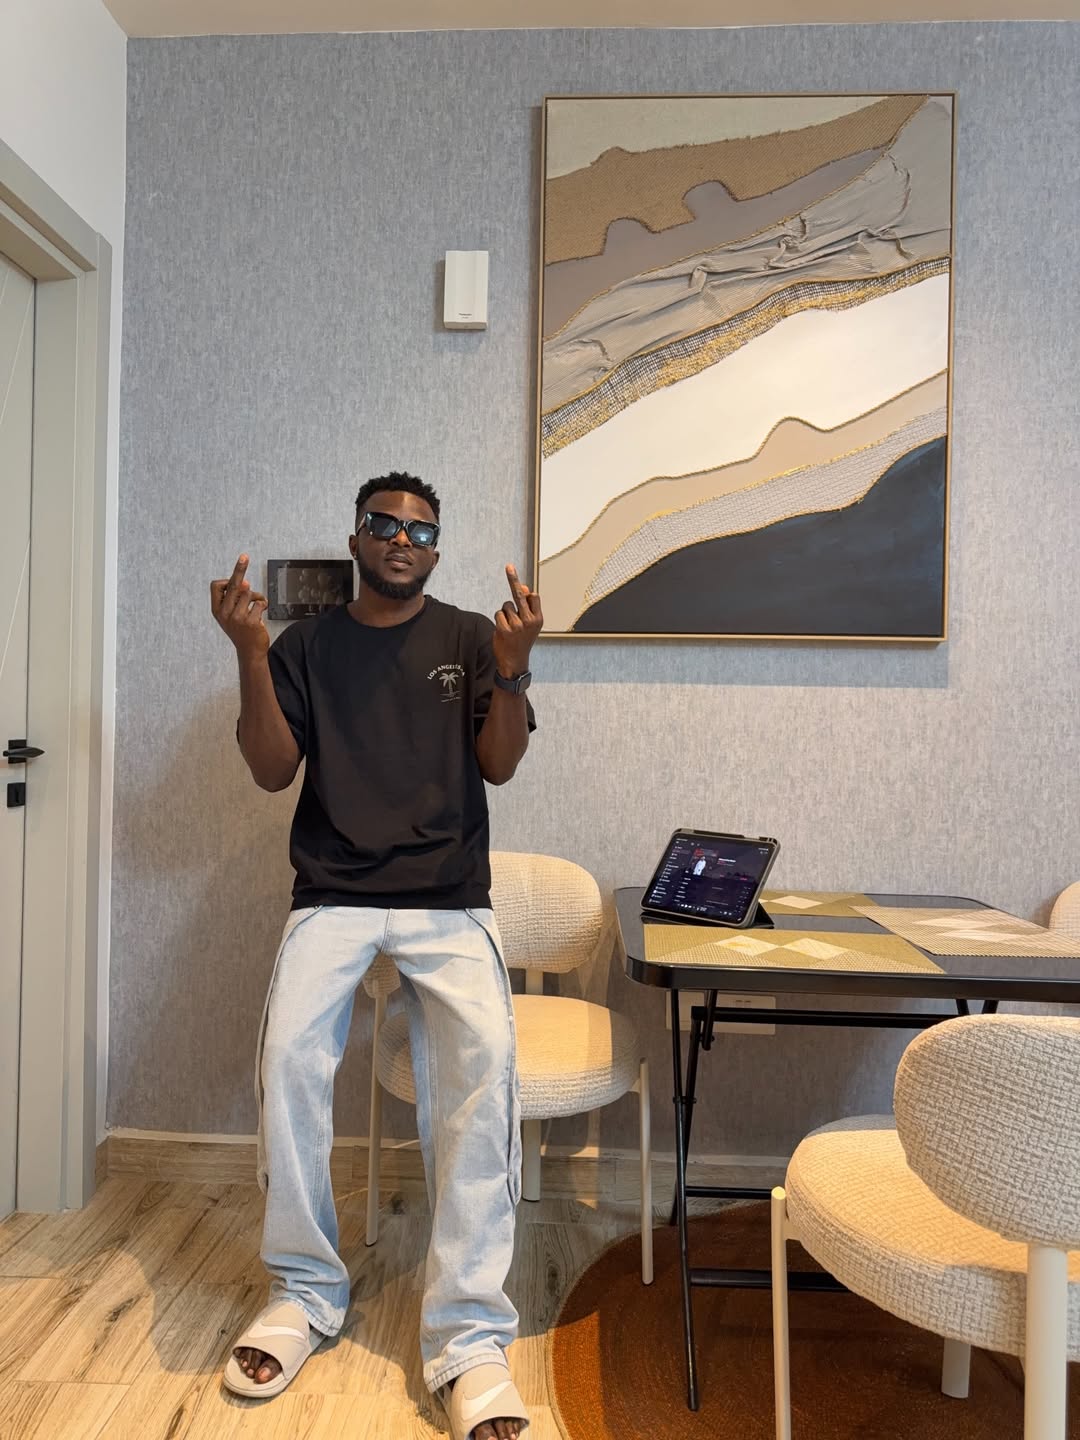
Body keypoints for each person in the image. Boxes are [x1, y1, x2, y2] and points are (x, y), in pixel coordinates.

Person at [210, 471, 542, 1440]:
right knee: (286, 1062)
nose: (402, 539)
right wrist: (250, 652)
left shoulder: (473, 639)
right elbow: (272, 771)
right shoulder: (307, 646)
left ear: (437, 549)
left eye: (420, 530)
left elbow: (500, 765)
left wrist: (513, 671)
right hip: (335, 894)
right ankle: (304, 1291)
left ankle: (469, 1338)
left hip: (449, 897)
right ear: (356, 538)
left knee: (483, 1076)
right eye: (383, 524)